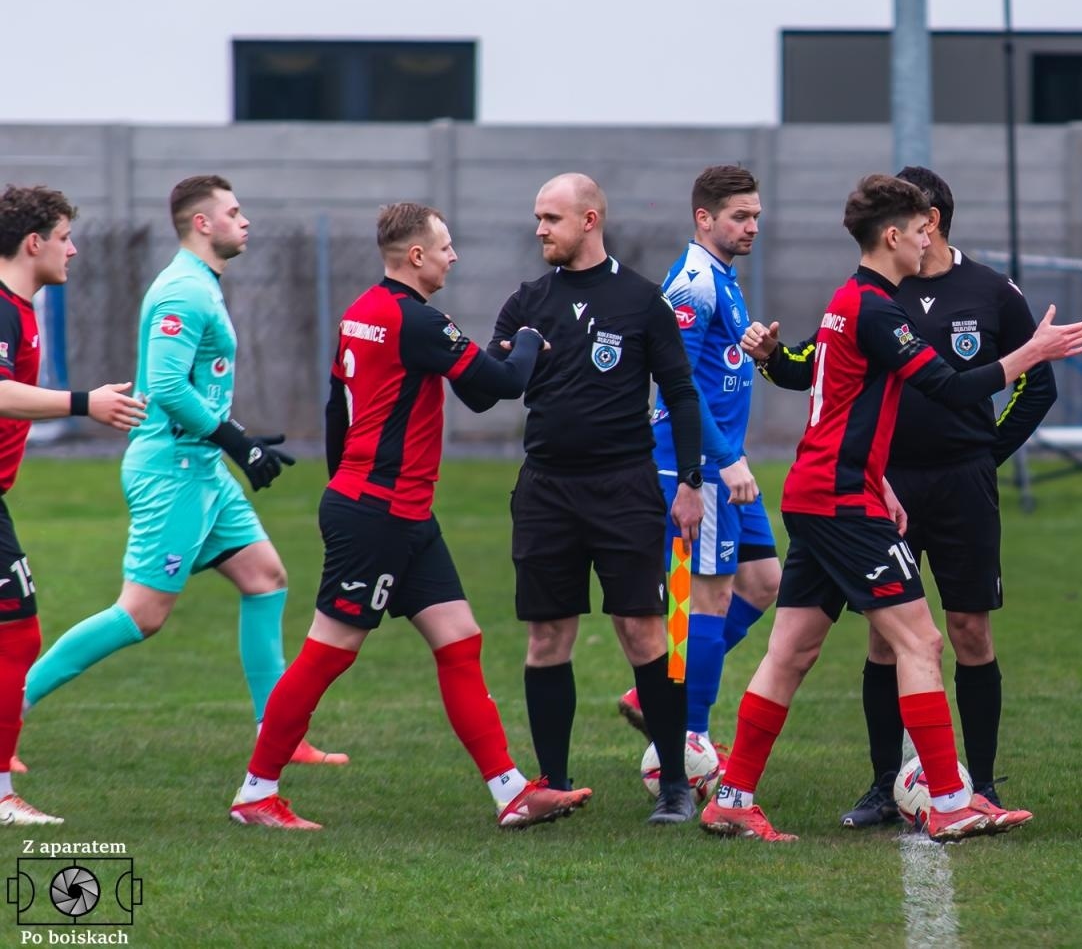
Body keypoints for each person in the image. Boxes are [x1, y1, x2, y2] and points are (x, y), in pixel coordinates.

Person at [700, 173, 1082, 843]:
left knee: (791, 649)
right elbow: (946, 385)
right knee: (920, 640)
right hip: (839, 498)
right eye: (917, 231)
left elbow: (842, 405)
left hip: (821, 489)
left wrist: (875, 476)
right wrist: (1033, 351)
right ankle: (948, 801)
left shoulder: (849, 300)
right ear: (893, 235)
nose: (925, 241)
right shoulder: (879, 309)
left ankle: (733, 797)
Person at [230, 202, 572, 830]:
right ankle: (256, 793)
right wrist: (527, 341)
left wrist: (346, 483)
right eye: (445, 245)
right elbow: (501, 384)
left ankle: (510, 792)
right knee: (326, 654)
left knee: (461, 642)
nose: (453, 255)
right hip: (380, 512)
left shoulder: (361, 312)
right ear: (416, 255)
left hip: (396, 511)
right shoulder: (417, 320)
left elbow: (342, 408)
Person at [24, 176, 344, 766]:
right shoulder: (182, 292)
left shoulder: (204, 286)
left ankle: (279, 735)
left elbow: (192, 384)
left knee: (266, 579)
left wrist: (234, 440)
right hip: (170, 472)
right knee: (141, 615)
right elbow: (166, 385)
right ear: (203, 224)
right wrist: (235, 440)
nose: (245, 221)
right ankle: (10, 712)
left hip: (202, 470)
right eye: (234, 211)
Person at [487, 173, 705, 825]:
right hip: (546, 489)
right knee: (547, 637)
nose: (539, 230)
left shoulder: (640, 301)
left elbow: (682, 395)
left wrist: (690, 482)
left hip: (625, 489)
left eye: (551, 218)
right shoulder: (527, 301)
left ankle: (675, 783)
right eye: (537, 217)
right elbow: (495, 378)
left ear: (589, 220)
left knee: (643, 633)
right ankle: (552, 782)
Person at [616, 166, 780, 756]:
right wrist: (722, 458)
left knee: (763, 583)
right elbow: (676, 383)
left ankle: (656, 697)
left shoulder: (724, 278)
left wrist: (757, 350)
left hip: (729, 463)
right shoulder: (693, 282)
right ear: (703, 218)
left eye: (757, 215)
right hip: (703, 466)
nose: (752, 226)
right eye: (741, 216)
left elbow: (715, 367)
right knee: (708, 596)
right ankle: (687, 740)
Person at [0, 185, 146, 824]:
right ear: (35, 243)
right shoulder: (3, 309)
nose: (73, 248)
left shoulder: (20, 308)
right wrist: (84, 402)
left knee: (16, 634)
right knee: (17, 632)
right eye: (64, 236)